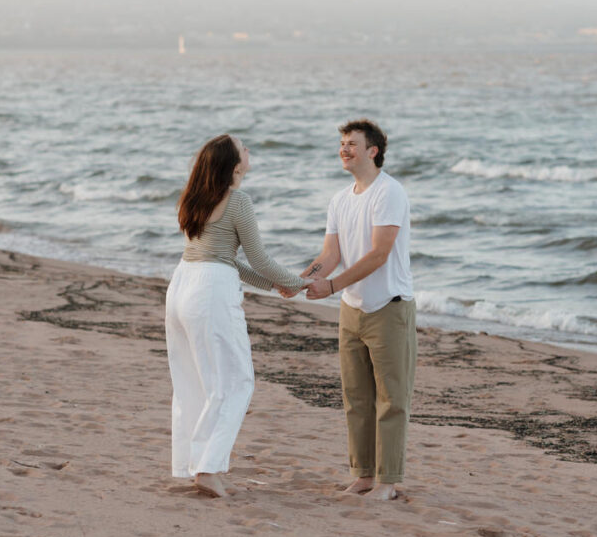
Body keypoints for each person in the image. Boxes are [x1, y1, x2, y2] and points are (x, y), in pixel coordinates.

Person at [165, 134, 306, 498]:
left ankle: (194, 464)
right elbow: (256, 258)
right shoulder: (238, 201)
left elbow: (225, 258)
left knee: (194, 382)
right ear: (234, 164)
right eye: (243, 148)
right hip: (209, 292)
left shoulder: (196, 198)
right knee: (236, 381)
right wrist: (299, 282)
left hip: (182, 286)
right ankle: (208, 469)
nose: (249, 150)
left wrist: (276, 287)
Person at [299, 119, 416, 501]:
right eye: (342, 143)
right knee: (357, 398)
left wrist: (331, 286)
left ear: (373, 151)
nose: (344, 149)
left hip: (388, 308)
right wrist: (301, 280)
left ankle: (387, 481)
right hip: (352, 309)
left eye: (352, 143)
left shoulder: (389, 192)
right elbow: (330, 255)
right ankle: (363, 476)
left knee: (391, 399)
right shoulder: (339, 199)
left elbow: (379, 253)